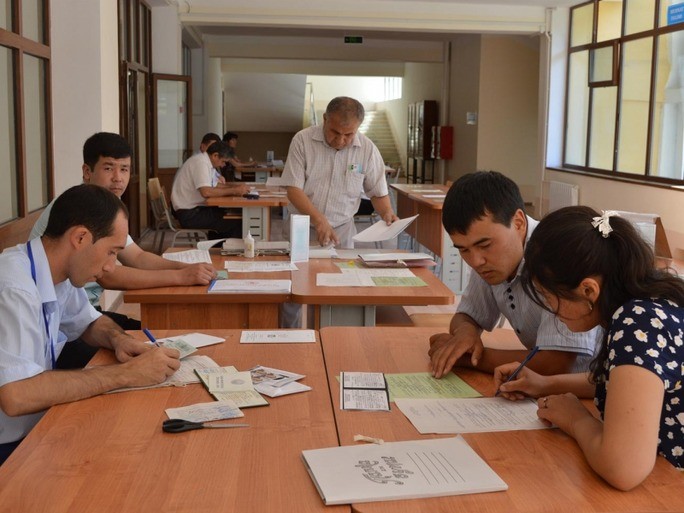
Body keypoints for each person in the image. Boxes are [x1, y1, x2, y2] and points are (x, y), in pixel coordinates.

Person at [493, 206, 684, 490]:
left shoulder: (638, 321)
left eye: (548, 297)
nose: (550, 310)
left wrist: (574, 419)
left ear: (588, 291)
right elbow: (630, 384)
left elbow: (623, 469)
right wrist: (546, 383)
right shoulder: (650, 296)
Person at [0, 184, 181, 465]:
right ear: (81, 238)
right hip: (10, 445)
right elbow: (16, 395)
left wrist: (120, 340)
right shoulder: (14, 287)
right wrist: (125, 374)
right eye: (111, 252)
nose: (111, 266)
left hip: (36, 426)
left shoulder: (58, 271)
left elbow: (88, 321)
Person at [30, 132, 217, 368]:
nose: (118, 178)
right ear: (87, 172)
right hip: (58, 328)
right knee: (137, 357)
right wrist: (180, 276)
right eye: (109, 168)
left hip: (81, 314)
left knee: (146, 337)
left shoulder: (105, 208)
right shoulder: (79, 209)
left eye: (125, 169)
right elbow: (107, 274)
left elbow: (137, 256)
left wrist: (187, 268)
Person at [428, 171, 599, 378]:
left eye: (485, 245)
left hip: (592, 389)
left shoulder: (558, 254)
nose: (475, 261)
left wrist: (467, 358)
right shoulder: (489, 259)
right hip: (546, 388)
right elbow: (468, 315)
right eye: (463, 250)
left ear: (518, 222)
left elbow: (556, 363)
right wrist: (465, 333)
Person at [280, 96, 397, 248]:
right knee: (300, 271)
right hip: (303, 228)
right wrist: (320, 220)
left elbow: (377, 191)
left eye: (348, 134)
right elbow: (293, 189)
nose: (340, 140)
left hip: (342, 232)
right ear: (324, 119)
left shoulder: (367, 149)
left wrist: (387, 212)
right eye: (335, 132)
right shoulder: (302, 140)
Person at [171, 140, 250, 239]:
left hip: (193, 210)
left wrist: (236, 188)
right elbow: (206, 192)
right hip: (189, 215)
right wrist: (234, 191)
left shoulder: (204, 161)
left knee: (228, 213)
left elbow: (214, 185)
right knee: (237, 221)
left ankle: (216, 248)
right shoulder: (201, 163)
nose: (223, 165)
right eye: (223, 161)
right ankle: (223, 251)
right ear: (215, 155)